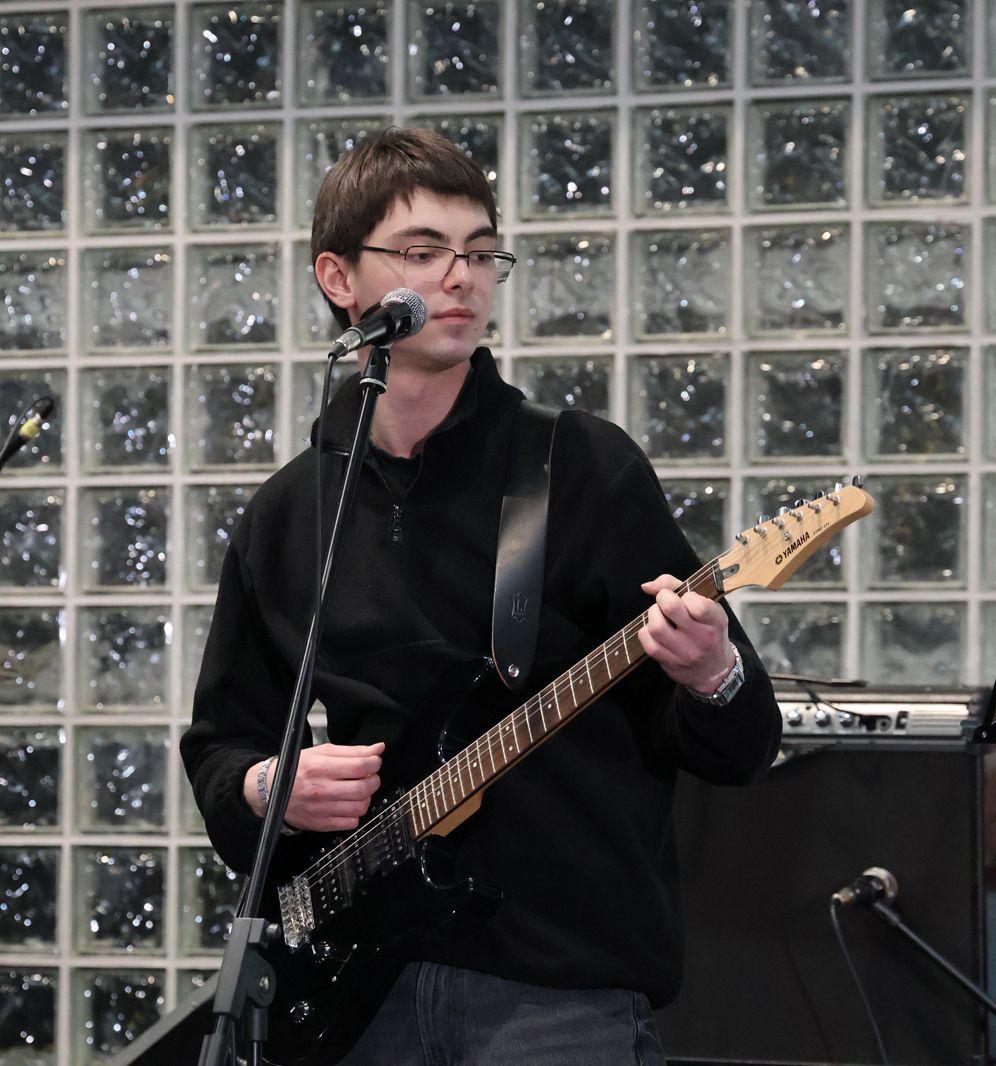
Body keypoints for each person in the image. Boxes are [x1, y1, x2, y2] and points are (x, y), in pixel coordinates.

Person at [180, 127, 782, 1065]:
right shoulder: (290, 513)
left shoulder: (577, 467)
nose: (461, 277)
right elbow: (223, 741)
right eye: (422, 252)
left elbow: (741, 744)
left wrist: (714, 672)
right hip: (354, 993)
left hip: (557, 995)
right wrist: (272, 787)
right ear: (338, 278)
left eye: (480, 252)